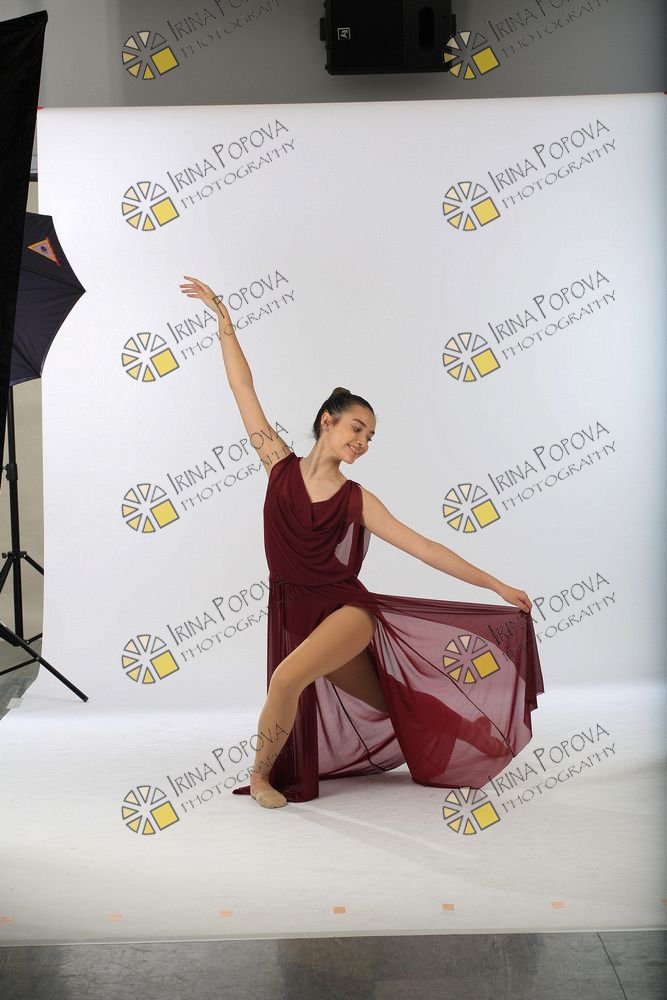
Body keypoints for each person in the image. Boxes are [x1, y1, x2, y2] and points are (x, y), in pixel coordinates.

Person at [180, 276, 543, 810]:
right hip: (292, 609)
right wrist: (225, 322)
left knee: (284, 679)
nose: (363, 441)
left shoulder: (356, 499)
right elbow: (243, 389)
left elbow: (425, 548)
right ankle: (470, 731)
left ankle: (259, 779)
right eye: (356, 428)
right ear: (326, 422)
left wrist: (496, 584)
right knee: (394, 701)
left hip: (345, 610)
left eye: (370, 436)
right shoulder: (278, 465)